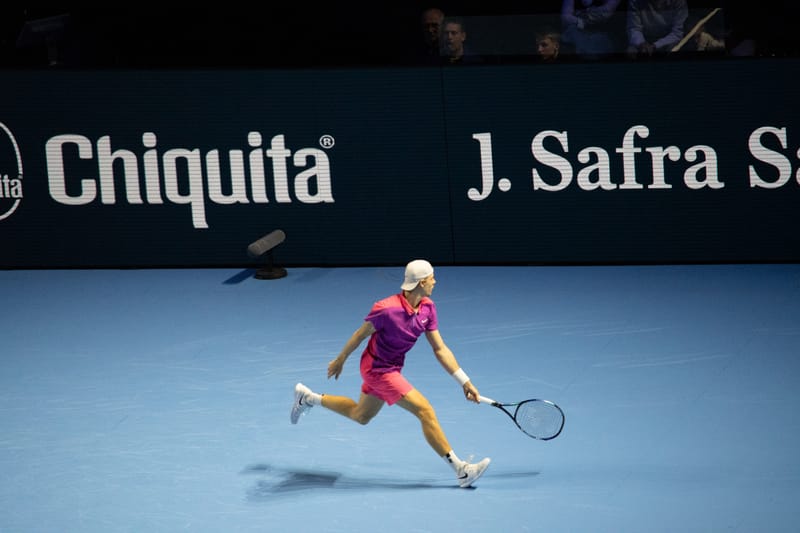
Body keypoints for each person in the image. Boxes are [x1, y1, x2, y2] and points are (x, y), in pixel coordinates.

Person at [290, 259, 491, 488]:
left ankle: (308, 398)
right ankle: (462, 470)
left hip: (393, 367)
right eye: (432, 278)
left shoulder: (428, 308)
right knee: (425, 410)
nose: (435, 282)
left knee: (360, 415)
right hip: (377, 369)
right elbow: (360, 334)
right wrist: (340, 359)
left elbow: (440, 349)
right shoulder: (386, 309)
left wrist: (464, 381)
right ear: (421, 282)